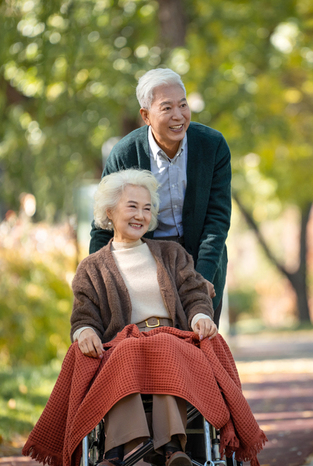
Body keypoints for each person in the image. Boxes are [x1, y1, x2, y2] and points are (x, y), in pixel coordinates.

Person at [73, 169, 218, 466]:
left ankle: (171, 450)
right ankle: (131, 448)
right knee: (124, 352)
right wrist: (85, 331)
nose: (141, 215)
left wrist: (200, 315)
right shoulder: (91, 268)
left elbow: (194, 293)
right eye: (132, 206)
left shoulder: (172, 254)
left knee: (165, 346)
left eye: (147, 208)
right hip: (123, 343)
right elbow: (83, 314)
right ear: (109, 211)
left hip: (171, 338)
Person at [89, 68, 231, 324]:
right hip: (145, 263)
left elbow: (217, 221)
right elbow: (102, 225)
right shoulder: (125, 154)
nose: (178, 116)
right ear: (145, 116)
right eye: (166, 108)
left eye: (183, 105)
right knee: (155, 347)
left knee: (200, 345)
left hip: (202, 259)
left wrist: (202, 280)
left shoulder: (212, 145)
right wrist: (98, 288)